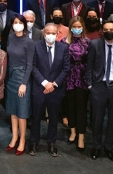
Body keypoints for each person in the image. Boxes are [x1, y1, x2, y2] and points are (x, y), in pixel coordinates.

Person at [85, 20, 113, 161]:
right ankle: (96, 146)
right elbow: (89, 66)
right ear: (102, 31)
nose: (108, 31)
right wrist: (90, 86)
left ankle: (110, 147)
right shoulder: (94, 44)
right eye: (105, 29)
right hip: (99, 86)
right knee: (97, 120)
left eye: (111, 29)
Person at [28, 23, 70, 157]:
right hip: (39, 88)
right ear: (43, 33)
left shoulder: (64, 48)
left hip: (56, 90)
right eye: (48, 33)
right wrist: (45, 83)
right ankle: (34, 142)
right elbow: (33, 67)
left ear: (58, 34)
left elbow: (66, 69)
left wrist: (54, 84)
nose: (50, 35)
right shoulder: (35, 46)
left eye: (53, 33)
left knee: (53, 118)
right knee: (36, 118)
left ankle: (52, 143)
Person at [5, 14, 34, 156]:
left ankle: (23, 139)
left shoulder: (29, 42)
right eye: (15, 22)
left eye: (20, 22)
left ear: (24, 24)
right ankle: (14, 137)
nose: (17, 24)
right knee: (12, 110)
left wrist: (24, 83)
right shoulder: (10, 38)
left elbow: (30, 65)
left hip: (23, 78)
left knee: (22, 112)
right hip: (11, 77)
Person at [64, 16, 90, 152]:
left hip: (82, 78)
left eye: (79, 26)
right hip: (68, 77)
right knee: (70, 107)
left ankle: (81, 136)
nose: (77, 29)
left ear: (83, 27)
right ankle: (73, 132)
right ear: (70, 27)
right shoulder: (64, 42)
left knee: (81, 108)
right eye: (74, 26)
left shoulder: (88, 42)